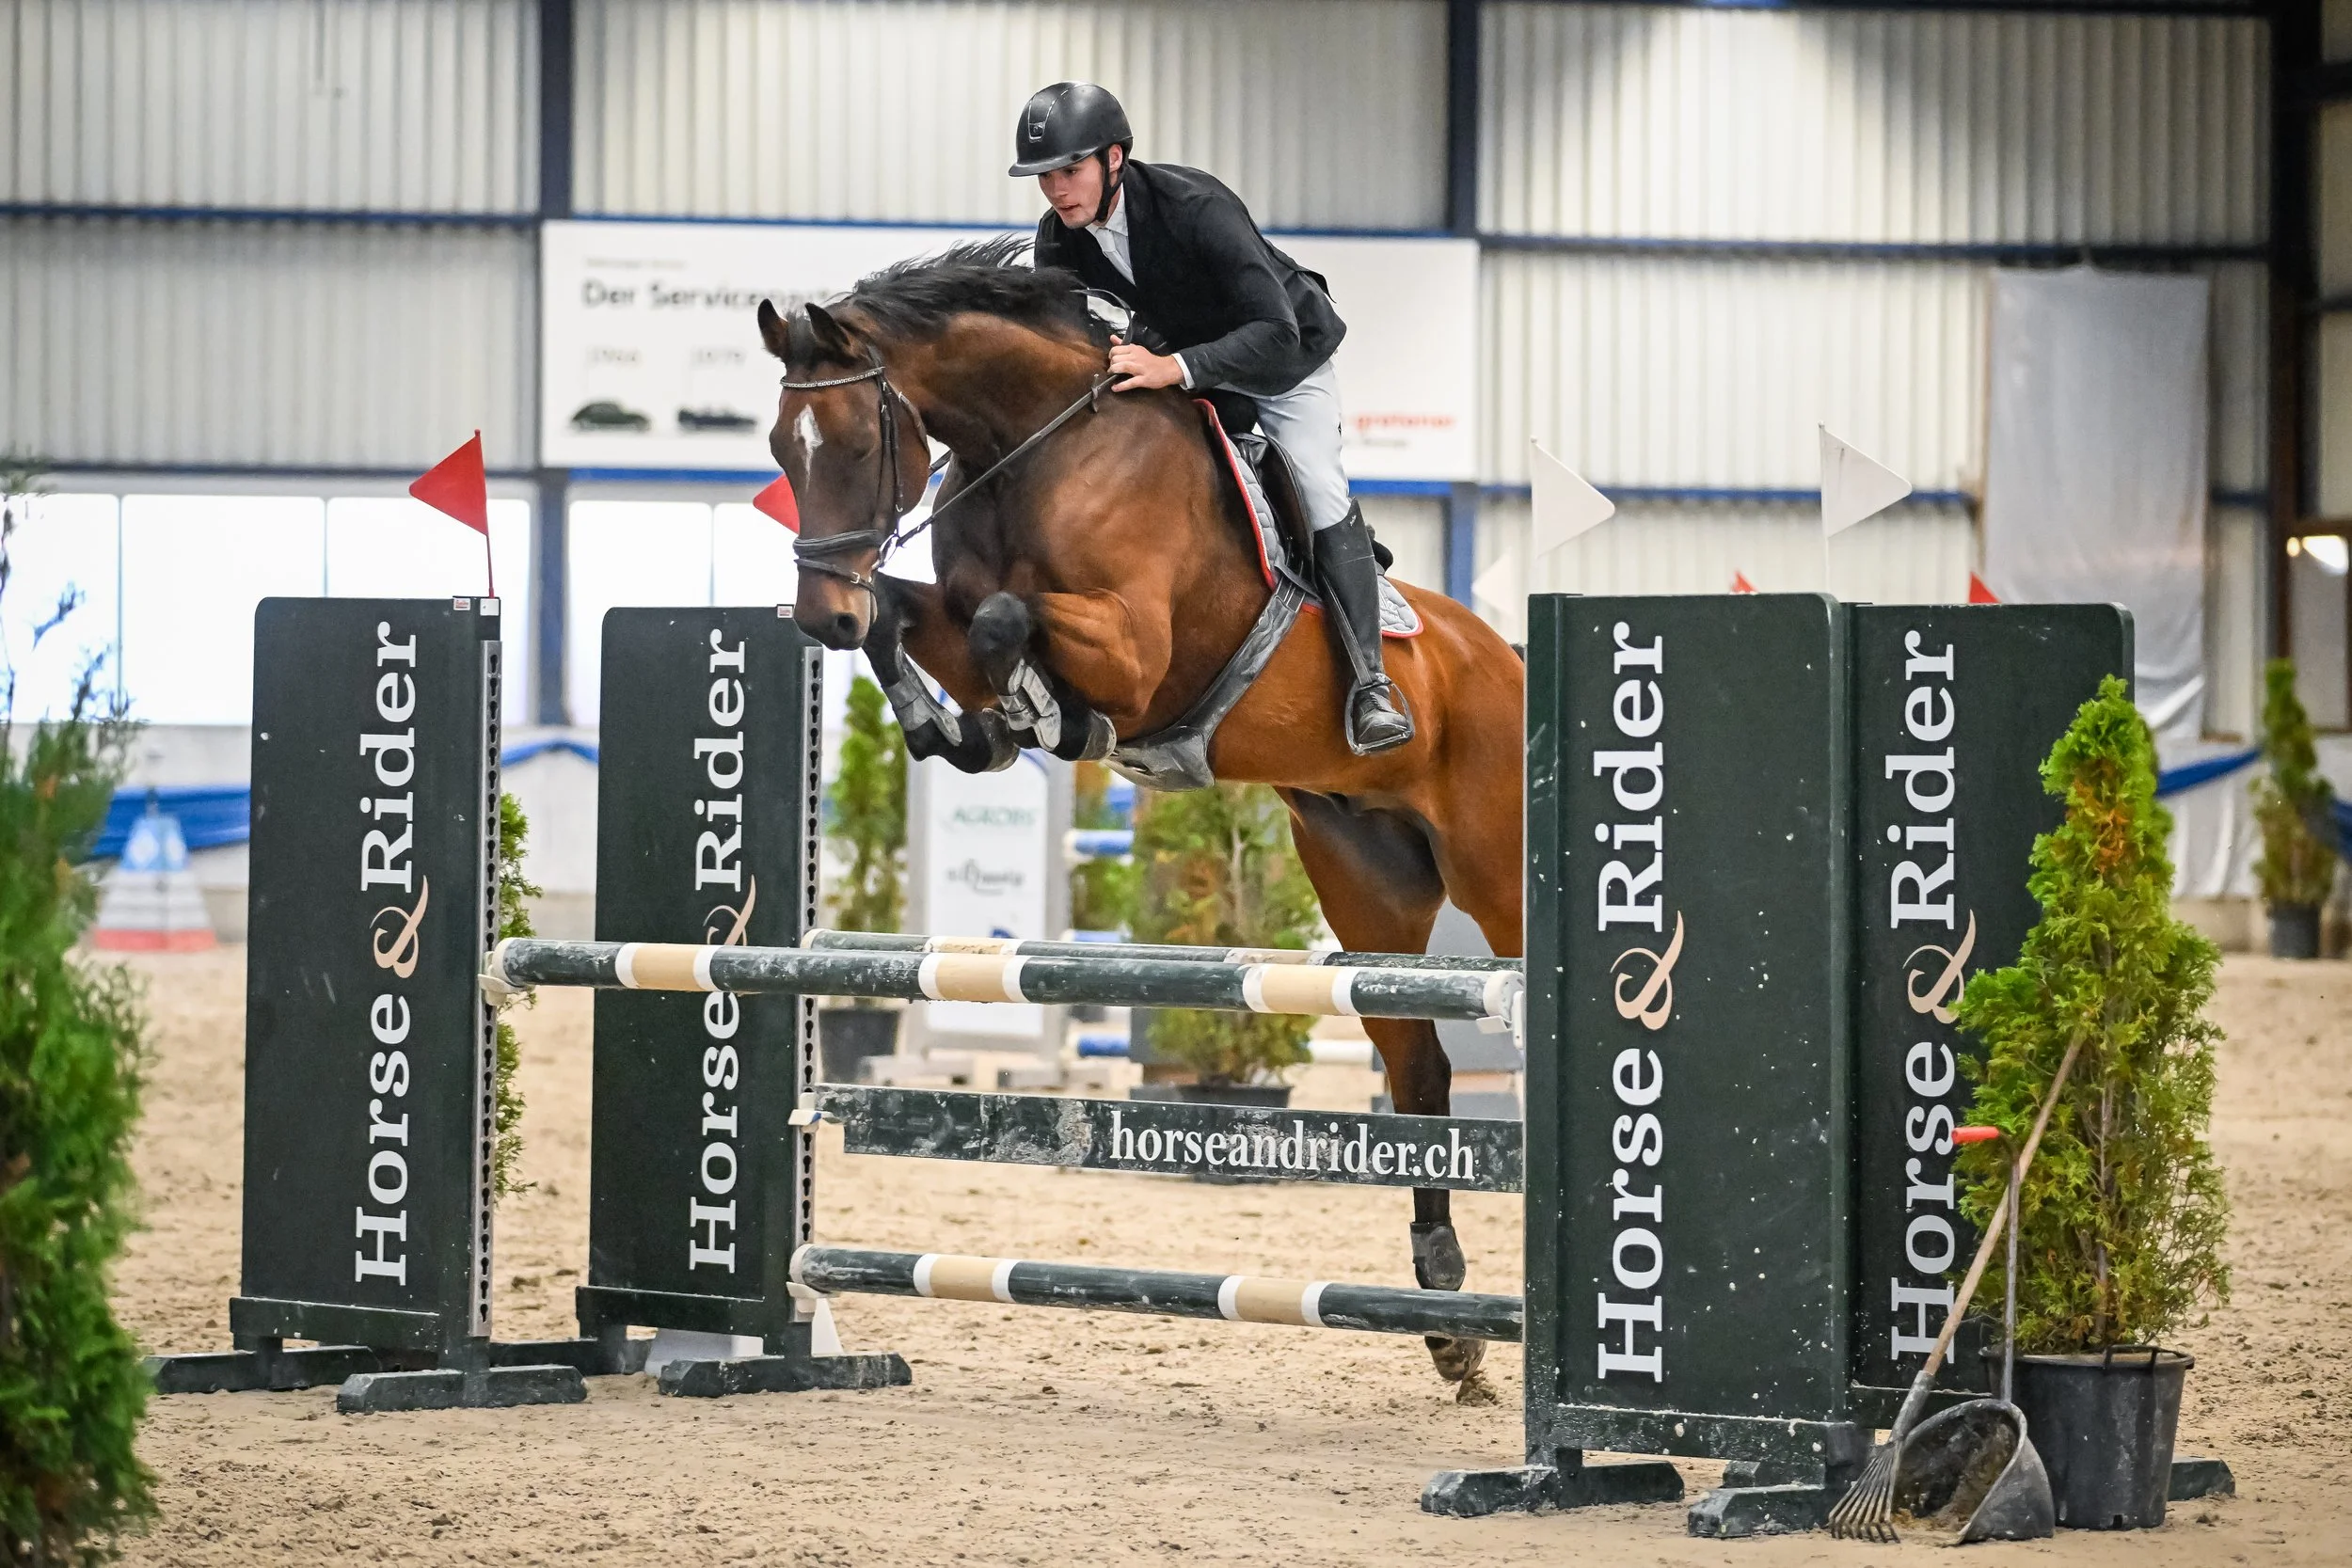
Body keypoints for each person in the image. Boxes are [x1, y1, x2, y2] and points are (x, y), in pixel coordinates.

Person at [1010, 81, 1413, 755]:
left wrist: (1176, 369)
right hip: (1188, 373)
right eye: (1044, 176)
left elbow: (1275, 330)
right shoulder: (1059, 237)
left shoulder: (1194, 206)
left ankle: (1372, 685)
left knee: (1316, 485)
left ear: (1114, 159)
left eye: (1068, 170)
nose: (1055, 189)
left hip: (1283, 364)